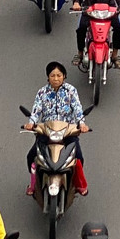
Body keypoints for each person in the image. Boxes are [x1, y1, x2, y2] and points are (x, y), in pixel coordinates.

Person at [23, 61, 89, 197]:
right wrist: (31, 123)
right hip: (47, 131)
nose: (56, 78)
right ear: (48, 77)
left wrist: (81, 124)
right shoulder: (42, 92)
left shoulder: (71, 91)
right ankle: (34, 183)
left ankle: (78, 184)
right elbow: (36, 111)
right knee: (31, 156)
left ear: (64, 76)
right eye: (53, 76)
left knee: (79, 157)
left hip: (67, 131)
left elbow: (77, 109)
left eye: (59, 75)